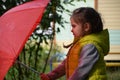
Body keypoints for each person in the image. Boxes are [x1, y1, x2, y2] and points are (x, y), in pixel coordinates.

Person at [40, 7, 110, 80]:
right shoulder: (81, 44)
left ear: (86, 27)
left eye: (74, 26)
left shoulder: (90, 46)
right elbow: (67, 63)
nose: (71, 30)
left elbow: (82, 70)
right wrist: (50, 76)